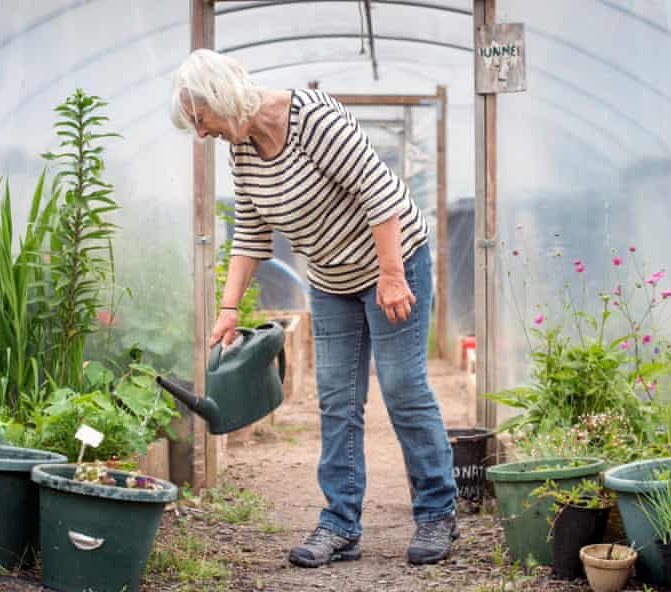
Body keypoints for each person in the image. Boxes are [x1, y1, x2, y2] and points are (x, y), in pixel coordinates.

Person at [170, 49, 458, 568]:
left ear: (220, 99)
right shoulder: (242, 148)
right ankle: (340, 525)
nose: (201, 132)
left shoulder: (314, 119)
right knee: (337, 399)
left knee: (402, 386)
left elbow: (379, 194)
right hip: (331, 279)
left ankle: (437, 512)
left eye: (200, 119)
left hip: (394, 263)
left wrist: (392, 275)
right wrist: (228, 307)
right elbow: (253, 232)